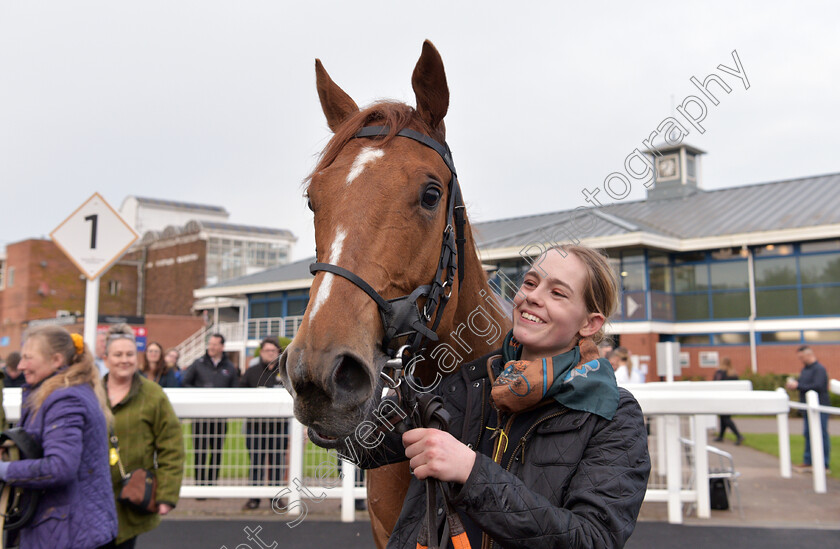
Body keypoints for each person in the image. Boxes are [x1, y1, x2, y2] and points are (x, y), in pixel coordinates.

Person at [354, 245, 651, 549]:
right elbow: (364, 446)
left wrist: (472, 473)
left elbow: (593, 540)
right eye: (530, 283)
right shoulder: (466, 381)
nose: (532, 296)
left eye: (558, 293)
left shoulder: (614, 415)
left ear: (590, 323)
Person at [0, 326, 118, 548]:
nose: (21, 365)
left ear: (56, 360)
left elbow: (60, 466)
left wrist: (5, 471)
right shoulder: (63, 391)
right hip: (75, 529)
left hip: (71, 533)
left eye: (28, 357)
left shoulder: (64, 399)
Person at [103, 324, 185, 548]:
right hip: (93, 499)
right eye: (117, 354)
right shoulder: (92, 393)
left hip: (132, 499)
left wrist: (166, 495)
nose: (124, 360)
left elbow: (172, 447)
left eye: (129, 354)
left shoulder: (152, 395)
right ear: (106, 358)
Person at [183, 333, 239, 485]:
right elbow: (185, 383)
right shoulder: (198, 363)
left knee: (216, 452)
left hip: (220, 418)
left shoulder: (229, 367)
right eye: (210, 344)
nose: (212, 347)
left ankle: (212, 484)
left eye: (215, 344)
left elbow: (235, 389)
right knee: (200, 452)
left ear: (222, 347)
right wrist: (200, 392)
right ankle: (200, 485)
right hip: (200, 418)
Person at [240, 336, 288, 510]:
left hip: (278, 427)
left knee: (277, 463)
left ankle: (276, 499)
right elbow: (240, 394)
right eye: (267, 351)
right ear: (261, 352)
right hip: (255, 427)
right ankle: (254, 498)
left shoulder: (285, 373)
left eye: (273, 351)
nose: (270, 353)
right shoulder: (251, 372)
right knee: (256, 463)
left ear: (278, 353)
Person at [786, 346, 831, 470]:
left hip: (819, 407)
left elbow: (818, 386)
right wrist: (795, 385)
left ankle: (824, 463)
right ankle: (808, 460)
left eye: (801, 357)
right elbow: (803, 384)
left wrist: (798, 385)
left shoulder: (819, 369)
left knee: (821, 434)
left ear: (808, 355)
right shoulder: (805, 370)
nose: (800, 360)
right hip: (807, 408)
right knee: (808, 434)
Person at [713, 358, 744, 445]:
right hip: (731, 399)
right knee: (723, 418)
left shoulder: (720, 373)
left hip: (722, 399)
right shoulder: (733, 374)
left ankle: (738, 435)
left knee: (725, 418)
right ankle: (721, 436)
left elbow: (714, 384)